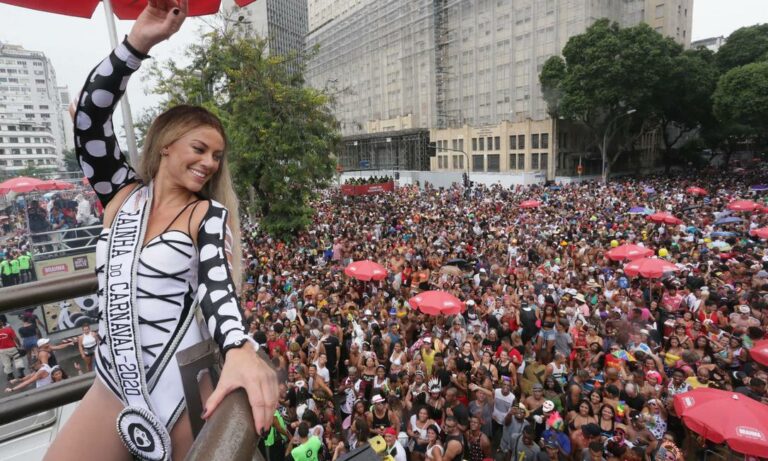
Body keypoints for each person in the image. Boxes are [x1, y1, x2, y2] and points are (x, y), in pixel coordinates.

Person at [47, 2, 278, 460]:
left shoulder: (206, 214)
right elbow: (89, 119)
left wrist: (238, 346)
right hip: (114, 382)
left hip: (180, 387)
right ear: (167, 144)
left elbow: (217, 288)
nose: (209, 163)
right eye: (199, 147)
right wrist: (139, 42)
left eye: (217, 156)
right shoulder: (119, 194)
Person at [0, 314, 22, 381]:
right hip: (12, 348)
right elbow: (15, 338)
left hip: (2, 350)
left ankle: (10, 376)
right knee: (17, 360)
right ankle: (21, 373)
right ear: (1, 323)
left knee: (6, 363)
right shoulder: (9, 329)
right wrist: (19, 345)